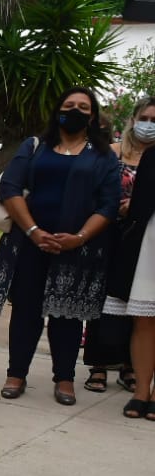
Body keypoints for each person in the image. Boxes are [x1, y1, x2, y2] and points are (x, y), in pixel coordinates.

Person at [0, 86, 121, 404]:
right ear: (57, 110)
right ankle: (16, 374)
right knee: (26, 312)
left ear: (93, 115)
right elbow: (10, 187)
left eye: (83, 107)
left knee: (67, 316)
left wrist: (79, 238)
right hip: (30, 242)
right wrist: (33, 231)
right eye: (69, 104)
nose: (75, 110)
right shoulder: (35, 146)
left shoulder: (103, 156)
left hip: (77, 249)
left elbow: (109, 204)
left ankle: (65, 379)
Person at [84, 96, 155, 393]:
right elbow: (92, 192)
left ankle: (130, 366)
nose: (148, 125)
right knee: (101, 300)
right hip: (108, 233)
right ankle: (98, 365)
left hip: (144, 240)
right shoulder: (111, 153)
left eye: (154, 121)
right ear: (133, 119)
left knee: (137, 306)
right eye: (145, 119)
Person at [104, 143, 155, 419]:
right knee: (143, 318)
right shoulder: (151, 155)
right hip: (149, 241)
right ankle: (141, 391)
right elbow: (139, 206)